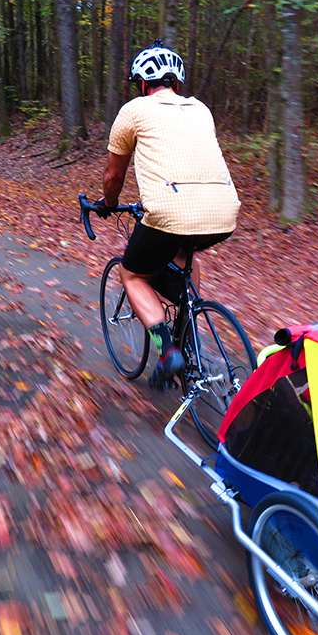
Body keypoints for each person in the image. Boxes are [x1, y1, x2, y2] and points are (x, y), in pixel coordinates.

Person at [99, 40, 241, 389]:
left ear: (143, 85)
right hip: (223, 213)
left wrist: (107, 203)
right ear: (176, 83)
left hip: (169, 213)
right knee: (183, 251)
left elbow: (113, 175)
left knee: (133, 274)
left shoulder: (134, 111)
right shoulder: (201, 110)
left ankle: (168, 352)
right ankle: (187, 325)